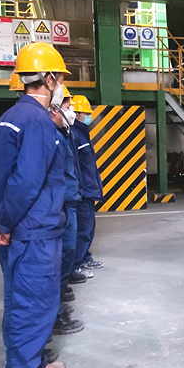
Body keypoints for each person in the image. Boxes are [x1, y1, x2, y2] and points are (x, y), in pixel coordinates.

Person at [0, 42, 70, 368]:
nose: (62, 85)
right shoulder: (37, 121)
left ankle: (33, 362)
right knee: (34, 304)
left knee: (20, 300)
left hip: (18, 228)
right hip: (34, 231)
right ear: (48, 79)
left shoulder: (10, 117)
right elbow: (27, 181)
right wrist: (5, 223)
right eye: (60, 78)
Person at [48, 85, 85, 335]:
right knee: (58, 263)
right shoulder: (50, 135)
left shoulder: (64, 133)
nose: (71, 111)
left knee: (66, 258)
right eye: (68, 106)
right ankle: (54, 317)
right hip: (60, 208)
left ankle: (58, 308)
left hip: (69, 204)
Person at [69, 94, 105, 277]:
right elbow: (74, 166)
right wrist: (81, 190)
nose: (88, 117)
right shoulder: (74, 135)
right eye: (85, 114)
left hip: (88, 190)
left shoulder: (82, 134)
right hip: (83, 191)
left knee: (88, 228)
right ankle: (76, 264)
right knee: (82, 229)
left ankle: (84, 257)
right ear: (76, 114)